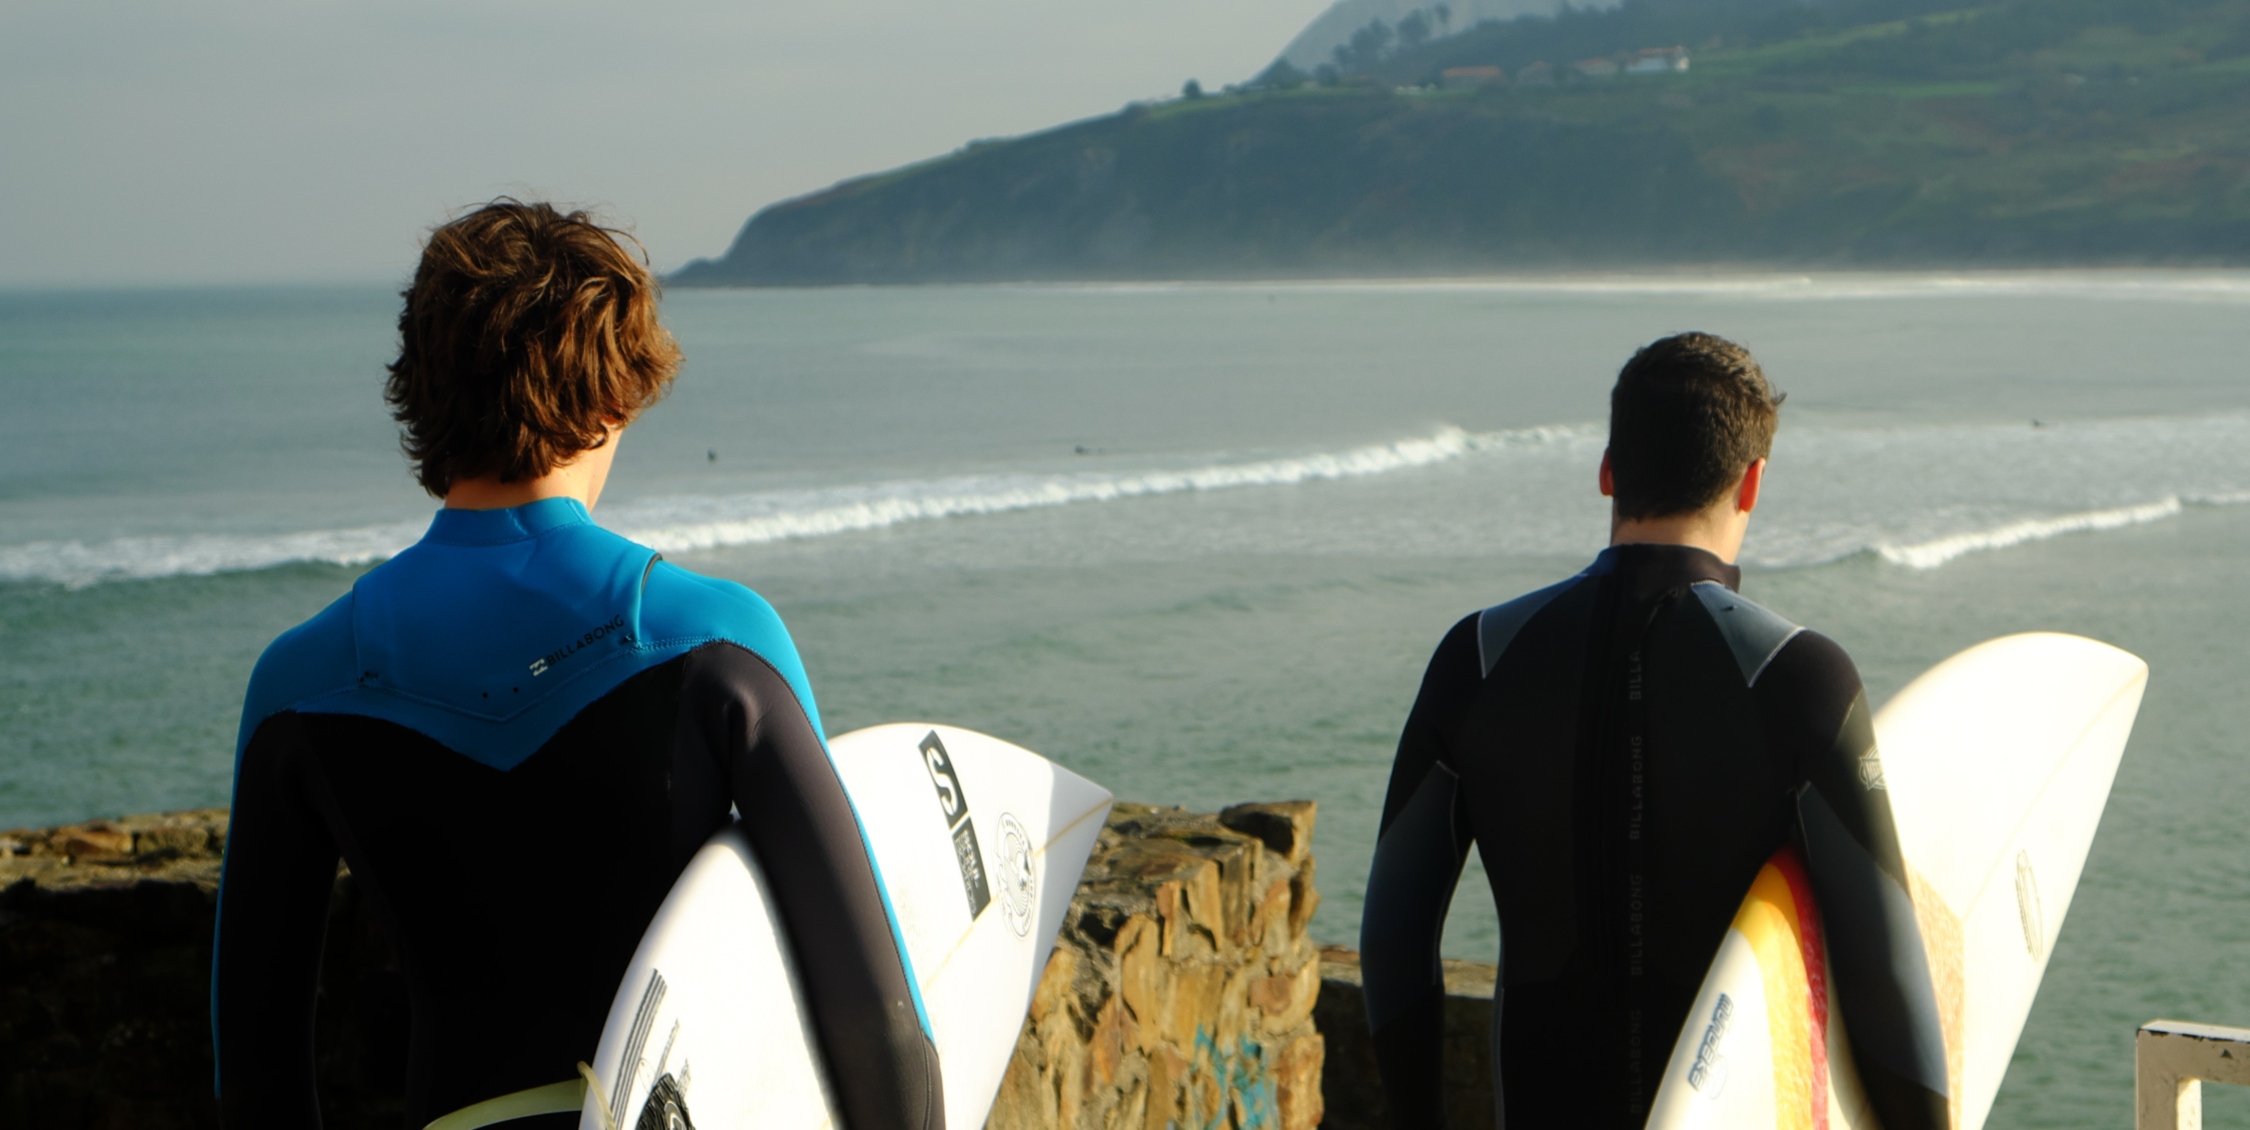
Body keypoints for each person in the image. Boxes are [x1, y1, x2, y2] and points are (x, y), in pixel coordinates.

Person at [211, 201, 944, 1130]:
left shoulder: (298, 683)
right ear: (610, 403)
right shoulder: (715, 641)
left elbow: (257, 1071)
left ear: (424, 398)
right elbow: (878, 1025)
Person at [1359, 333, 1948, 1129]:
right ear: (1752, 483)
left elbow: (1393, 942)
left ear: (1608, 470)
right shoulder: (1802, 679)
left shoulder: (1477, 658)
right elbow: (1883, 976)